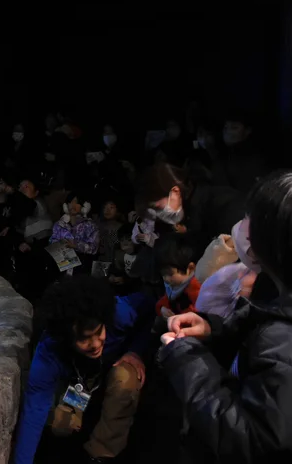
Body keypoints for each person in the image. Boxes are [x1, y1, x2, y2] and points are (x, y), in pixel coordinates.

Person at [159, 171, 292, 463]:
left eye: (251, 219)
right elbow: (257, 332)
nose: (241, 228)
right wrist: (213, 329)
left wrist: (186, 359)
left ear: (273, 242)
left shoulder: (283, 338)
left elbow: (253, 440)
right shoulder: (273, 289)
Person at [12, 276, 153, 463]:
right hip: (81, 381)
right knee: (61, 423)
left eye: (98, 332)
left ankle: (100, 454)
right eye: (84, 339)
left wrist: (135, 351)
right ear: (66, 338)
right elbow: (34, 411)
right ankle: (79, 413)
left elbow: (151, 307)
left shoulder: (120, 312)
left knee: (124, 380)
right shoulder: (49, 351)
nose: (95, 344)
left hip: (115, 366)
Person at [213, 112, 268, 193]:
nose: (228, 131)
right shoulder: (223, 155)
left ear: (247, 131)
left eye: (234, 128)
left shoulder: (254, 158)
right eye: (225, 127)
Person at [49, 193, 99, 276]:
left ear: (84, 207)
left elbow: (94, 248)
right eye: (70, 202)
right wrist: (59, 244)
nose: (73, 205)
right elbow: (52, 241)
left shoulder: (90, 225)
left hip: (82, 267)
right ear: (66, 206)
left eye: (77, 202)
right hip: (61, 266)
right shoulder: (59, 224)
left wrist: (75, 245)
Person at [154, 238, 201, 318]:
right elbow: (167, 298)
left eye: (170, 274)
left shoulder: (198, 290)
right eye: (163, 274)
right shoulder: (174, 284)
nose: (165, 278)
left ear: (190, 268)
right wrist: (162, 308)